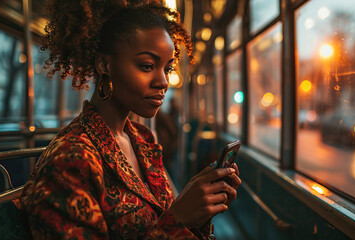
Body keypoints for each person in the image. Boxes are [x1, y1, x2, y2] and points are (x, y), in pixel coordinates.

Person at [19, 1, 241, 239]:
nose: (163, 82)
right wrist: (179, 219)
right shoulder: (71, 159)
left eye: (167, 68)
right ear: (105, 65)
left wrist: (199, 212)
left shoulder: (142, 138)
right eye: (147, 66)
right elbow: (170, 221)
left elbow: (163, 218)